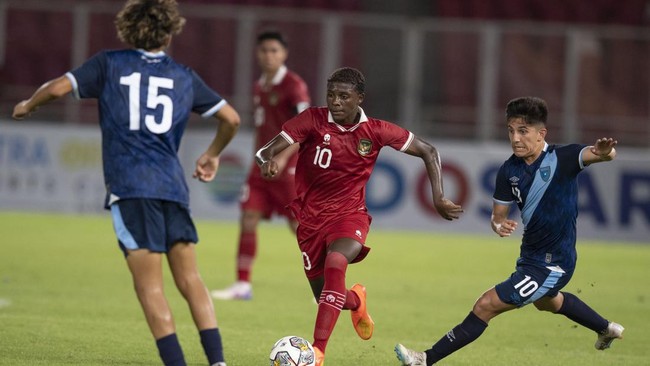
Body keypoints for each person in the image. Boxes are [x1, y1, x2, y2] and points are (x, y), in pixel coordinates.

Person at [12, 1, 240, 365]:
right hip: (172, 188)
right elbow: (231, 118)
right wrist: (213, 152)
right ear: (169, 32)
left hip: (131, 188)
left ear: (129, 28)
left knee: (149, 287)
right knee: (191, 280)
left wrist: (29, 104)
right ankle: (218, 362)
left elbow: (56, 88)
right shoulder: (184, 75)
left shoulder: (109, 64)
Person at [256, 67, 463, 365]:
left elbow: (429, 151)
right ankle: (356, 300)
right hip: (310, 220)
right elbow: (266, 150)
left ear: (360, 98)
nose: (335, 102)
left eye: (344, 96)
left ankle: (318, 352)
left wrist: (439, 196)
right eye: (331, 95)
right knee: (327, 296)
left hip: (349, 215)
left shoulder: (376, 131)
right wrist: (268, 162)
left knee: (336, 262)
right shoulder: (312, 120)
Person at [395, 96, 623, 366]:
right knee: (547, 302)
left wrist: (606, 151)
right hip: (530, 256)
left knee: (485, 305)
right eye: (511, 130)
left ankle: (424, 359)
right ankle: (607, 328)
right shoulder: (508, 170)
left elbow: (601, 154)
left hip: (554, 263)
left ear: (541, 134)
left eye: (523, 131)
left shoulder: (564, 157)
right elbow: (497, 215)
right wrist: (498, 224)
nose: (515, 138)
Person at [211, 31, 310, 301]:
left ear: (284, 54)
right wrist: (264, 158)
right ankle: (242, 285)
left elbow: (305, 129)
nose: (269, 56)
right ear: (257, 53)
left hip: (287, 168)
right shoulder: (259, 85)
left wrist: (281, 158)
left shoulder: (294, 86)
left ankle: (323, 285)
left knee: (299, 227)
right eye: (264, 50)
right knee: (248, 218)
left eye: (274, 51)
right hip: (261, 168)